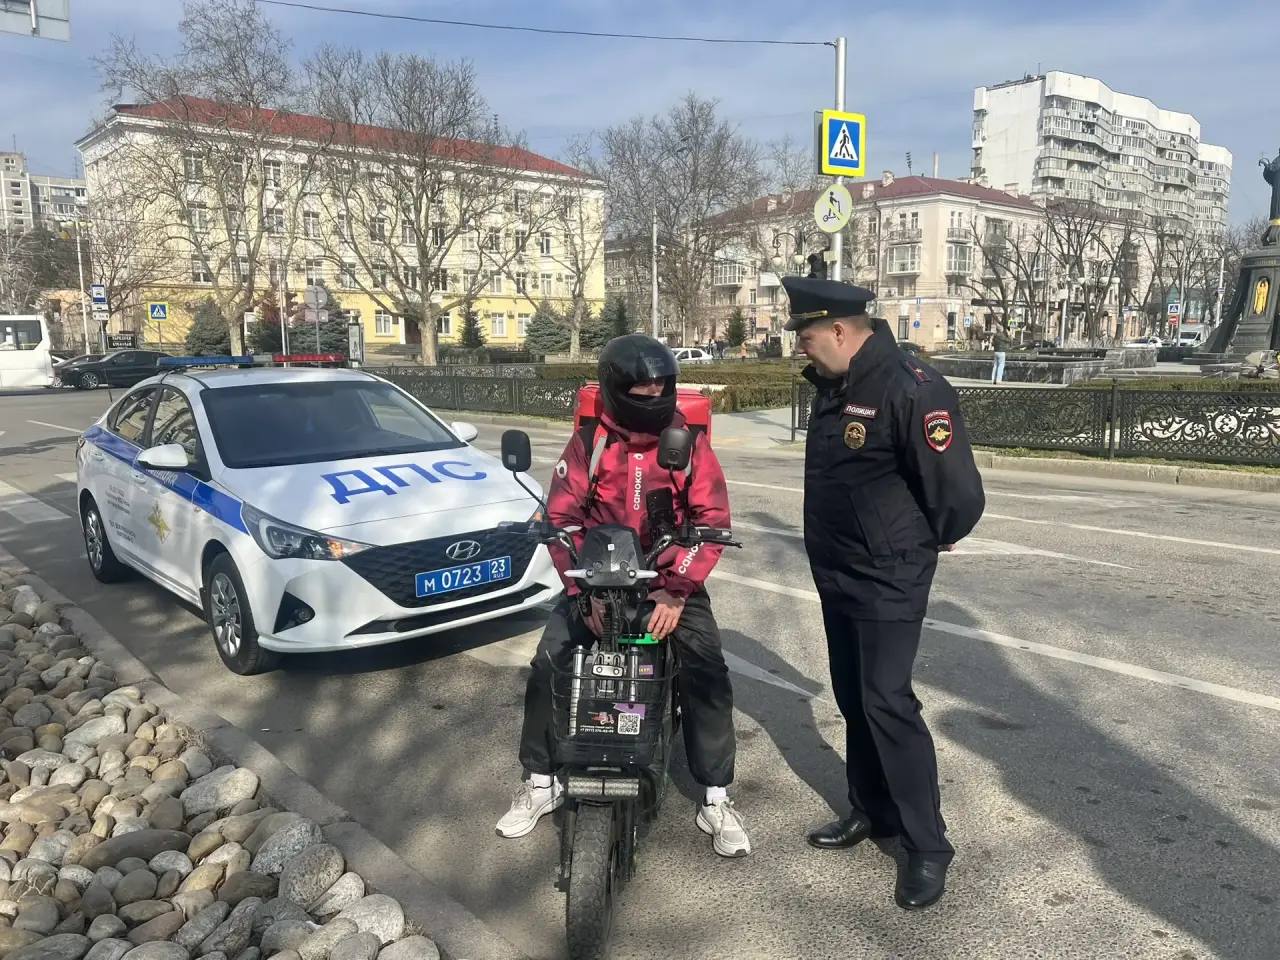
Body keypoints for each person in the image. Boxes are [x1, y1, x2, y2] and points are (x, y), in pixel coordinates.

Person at [495, 334, 750, 858]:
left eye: (661, 387)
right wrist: (579, 590)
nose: (653, 395)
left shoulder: (687, 443)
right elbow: (561, 518)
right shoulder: (589, 443)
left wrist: (676, 592)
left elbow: (712, 519)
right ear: (615, 388)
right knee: (548, 664)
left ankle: (716, 795)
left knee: (706, 671)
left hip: (667, 581)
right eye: (641, 389)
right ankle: (540, 781)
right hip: (595, 580)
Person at [783, 276, 985, 910]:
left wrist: (928, 540)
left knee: (887, 700)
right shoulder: (836, 386)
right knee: (853, 697)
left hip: (889, 572)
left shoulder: (912, 387)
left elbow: (957, 492)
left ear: (840, 330)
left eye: (807, 337)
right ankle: (872, 810)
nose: (802, 348)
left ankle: (927, 846)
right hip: (838, 568)